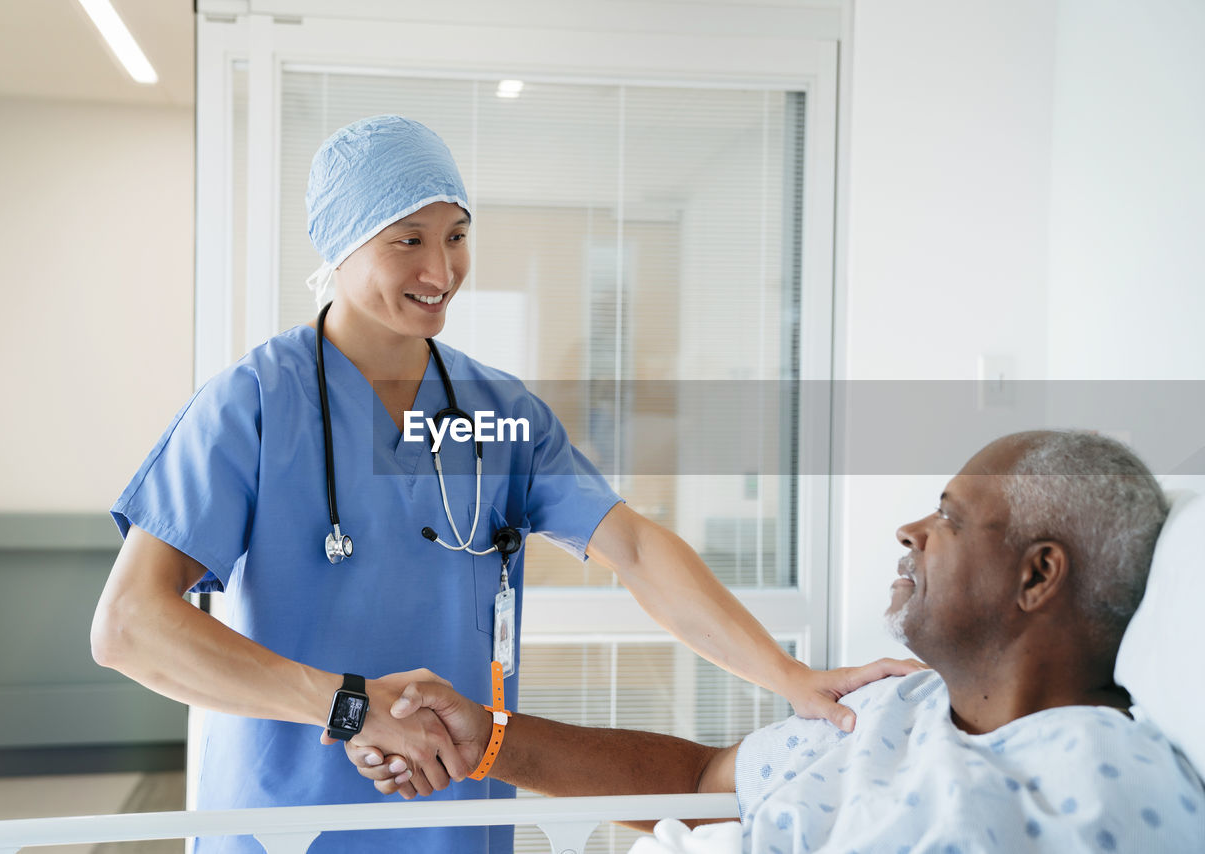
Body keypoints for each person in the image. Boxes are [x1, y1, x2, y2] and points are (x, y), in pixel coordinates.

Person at [89, 114, 914, 854]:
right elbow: (129, 626)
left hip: (452, 814)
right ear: (340, 245)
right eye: (406, 239)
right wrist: (351, 707)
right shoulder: (254, 406)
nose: (441, 268)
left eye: (456, 234)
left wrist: (789, 677)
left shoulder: (497, 412)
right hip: (285, 824)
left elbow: (633, 546)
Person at [358, 430, 1205, 852]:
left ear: (1037, 576)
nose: (910, 530)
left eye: (948, 517)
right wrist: (487, 739)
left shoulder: (1103, 783)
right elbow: (696, 781)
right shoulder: (887, 704)